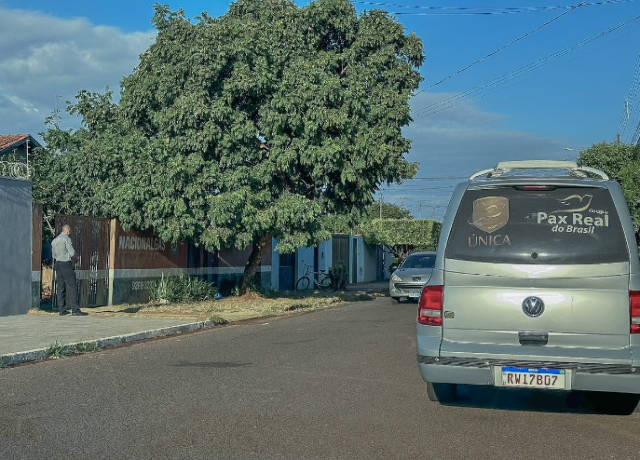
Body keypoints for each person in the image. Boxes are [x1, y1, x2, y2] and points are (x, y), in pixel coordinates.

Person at [51, 225, 88, 316]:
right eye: (69, 230)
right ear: (67, 230)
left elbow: (54, 255)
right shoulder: (66, 239)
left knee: (61, 287)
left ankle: (62, 310)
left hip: (58, 264)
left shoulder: (54, 241)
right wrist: (76, 256)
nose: (70, 232)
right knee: (72, 286)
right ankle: (75, 310)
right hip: (66, 263)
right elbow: (71, 252)